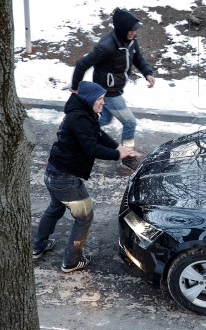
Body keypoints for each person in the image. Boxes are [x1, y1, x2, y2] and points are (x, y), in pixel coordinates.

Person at [32, 81, 134, 273]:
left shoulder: (83, 114)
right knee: (84, 218)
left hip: (53, 174)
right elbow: (91, 147)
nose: (103, 103)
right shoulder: (80, 118)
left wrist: (116, 146)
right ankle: (71, 261)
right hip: (66, 180)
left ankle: (38, 246)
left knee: (55, 208)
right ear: (89, 99)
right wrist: (117, 155)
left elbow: (97, 134)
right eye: (100, 99)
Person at [71, 7, 155, 170]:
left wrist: (147, 73)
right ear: (122, 29)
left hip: (115, 88)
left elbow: (137, 57)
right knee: (130, 122)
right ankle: (128, 156)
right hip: (108, 92)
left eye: (135, 31)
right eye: (131, 31)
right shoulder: (107, 45)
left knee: (103, 119)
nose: (134, 33)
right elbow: (82, 64)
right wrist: (75, 88)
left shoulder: (130, 40)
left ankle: (74, 131)